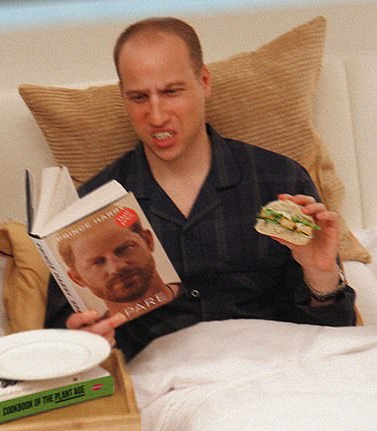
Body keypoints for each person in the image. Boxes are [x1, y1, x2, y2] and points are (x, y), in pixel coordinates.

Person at [44, 17, 356, 360]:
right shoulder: (89, 209)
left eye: (171, 92)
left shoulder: (278, 180)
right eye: (138, 97)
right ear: (123, 97)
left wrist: (322, 275)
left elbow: (333, 337)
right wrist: (86, 341)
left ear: (204, 81)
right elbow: (61, 350)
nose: (157, 115)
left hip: (276, 370)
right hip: (163, 386)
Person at [57, 214, 179, 318]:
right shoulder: (98, 338)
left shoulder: (195, 288)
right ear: (77, 278)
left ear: (148, 241)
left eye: (125, 248)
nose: (117, 267)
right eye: (98, 262)